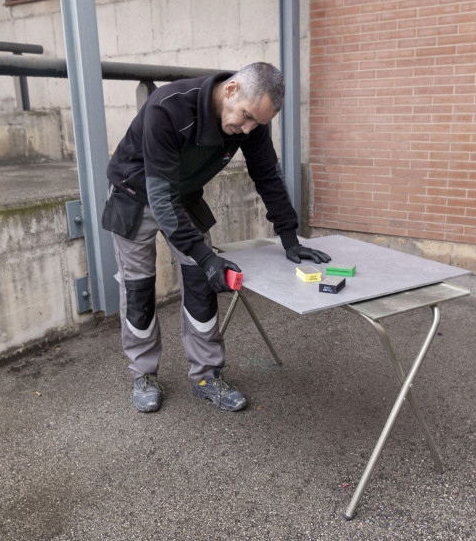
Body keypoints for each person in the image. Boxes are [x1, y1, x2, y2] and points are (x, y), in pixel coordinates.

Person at [101, 62, 330, 414]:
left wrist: (290, 237)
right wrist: (206, 256)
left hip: (182, 196)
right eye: (247, 117)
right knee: (138, 287)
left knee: (201, 282)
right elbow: (160, 197)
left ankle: (207, 375)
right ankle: (143, 374)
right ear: (231, 90)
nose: (248, 129)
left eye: (257, 123)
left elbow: (267, 174)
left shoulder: (252, 122)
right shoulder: (168, 108)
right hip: (135, 195)